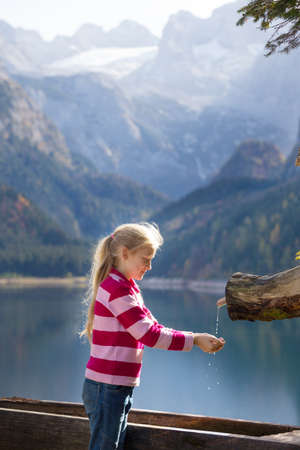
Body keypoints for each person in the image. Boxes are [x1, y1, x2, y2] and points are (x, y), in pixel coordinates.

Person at [80, 222, 225, 450]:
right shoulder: (117, 290)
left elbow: (154, 327)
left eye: (151, 260)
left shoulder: (128, 288)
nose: (149, 266)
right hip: (107, 387)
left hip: (114, 387)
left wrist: (195, 337)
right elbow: (149, 335)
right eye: (145, 259)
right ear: (125, 253)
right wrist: (195, 340)